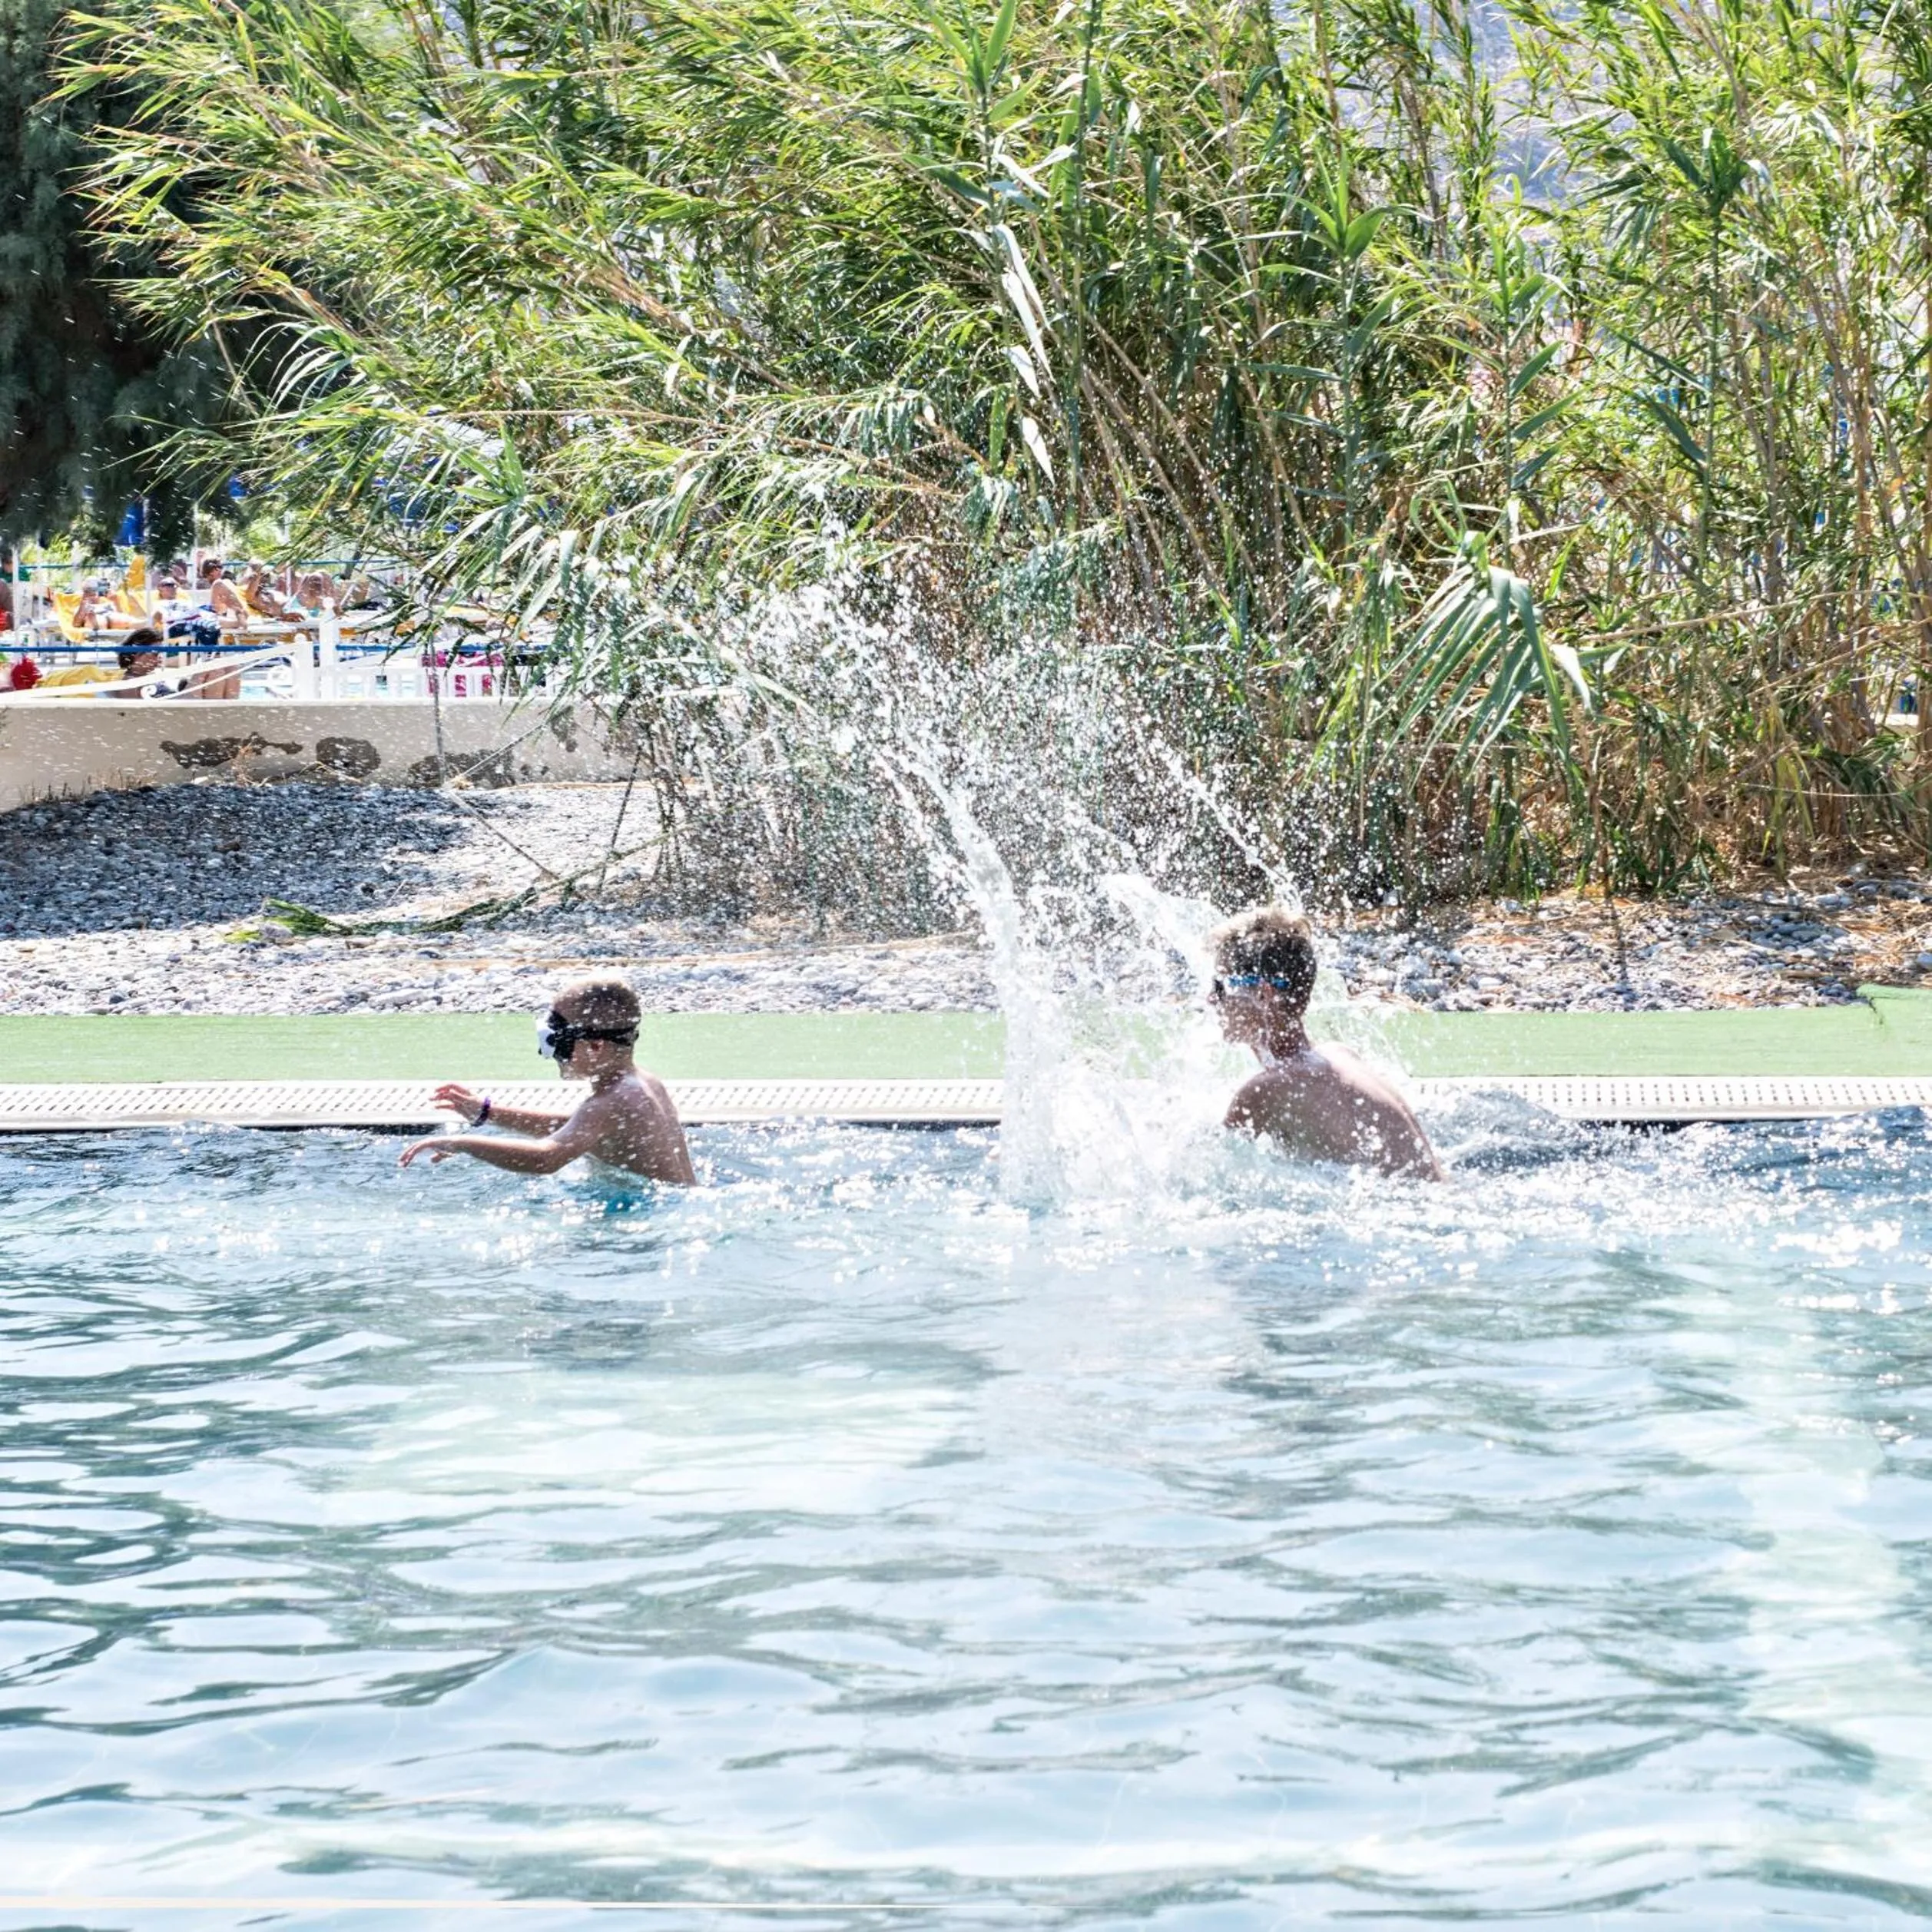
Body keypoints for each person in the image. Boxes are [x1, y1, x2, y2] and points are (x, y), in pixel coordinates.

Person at [1211, 906, 1442, 1180]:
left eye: (1220, 987)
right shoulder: (1341, 1055)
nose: (1211, 999)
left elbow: (1213, 1170)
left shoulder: (1267, 1089)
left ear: (1263, 994)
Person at [399, 976, 696, 1184]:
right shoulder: (641, 1084)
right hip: (672, 1205)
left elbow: (546, 1159)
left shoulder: (609, 1102)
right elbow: (579, 1129)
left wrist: (462, 1144)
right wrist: (488, 1113)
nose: (550, 1053)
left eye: (556, 1042)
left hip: (651, 1221)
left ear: (595, 1046)